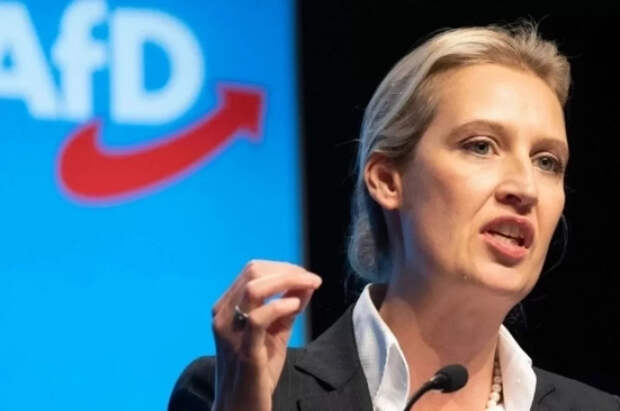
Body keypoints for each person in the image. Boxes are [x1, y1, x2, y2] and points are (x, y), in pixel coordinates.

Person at [168, 22, 620, 411]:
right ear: (387, 180)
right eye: (481, 146)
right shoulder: (243, 393)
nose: (525, 188)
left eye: (547, 162)